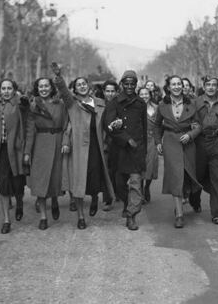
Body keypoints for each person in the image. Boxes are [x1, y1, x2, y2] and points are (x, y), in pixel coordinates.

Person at [52, 63, 115, 229]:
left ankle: (94, 198)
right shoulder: (72, 103)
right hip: (79, 149)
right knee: (79, 183)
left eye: (84, 84)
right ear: (75, 89)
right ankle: (80, 217)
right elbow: (63, 91)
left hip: (97, 147)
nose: (81, 86)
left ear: (89, 86)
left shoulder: (101, 103)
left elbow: (108, 121)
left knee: (96, 178)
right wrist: (59, 77)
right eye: (78, 85)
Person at [154, 76, 202, 228]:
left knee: (187, 175)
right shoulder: (162, 105)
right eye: (173, 84)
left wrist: (190, 135)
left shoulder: (192, 103)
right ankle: (179, 214)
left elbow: (199, 126)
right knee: (175, 176)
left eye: (179, 84)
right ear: (168, 87)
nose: (176, 87)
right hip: (170, 143)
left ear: (183, 86)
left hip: (188, 143)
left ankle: (186, 197)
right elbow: (156, 126)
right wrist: (158, 142)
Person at [189, 76, 218, 225]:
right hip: (199, 143)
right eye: (208, 85)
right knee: (197, 175)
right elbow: (186, 121)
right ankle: (194, 200)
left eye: (214, 85)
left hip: (217, 143)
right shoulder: (194, 103)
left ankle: (216, 213)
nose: (210, 87)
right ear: (203, 86)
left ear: (217, 87)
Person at [104, 70, 147, 230]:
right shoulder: (114, 102)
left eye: (132, 84)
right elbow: (108, 125)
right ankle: (126, 203)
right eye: (126, 83)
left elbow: (143, 128)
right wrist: (125, 138)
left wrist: (143, 151)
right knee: (119, 184)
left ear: (136, 85)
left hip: (137, 150)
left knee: (136, 184)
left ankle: (131, 215)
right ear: (122, 84)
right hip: (119, 150)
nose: (129, 87)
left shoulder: (141, 104)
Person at [24, 76, 68, 230]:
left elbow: (65, 125)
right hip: (40, 145)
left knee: (55, 178)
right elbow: (30, 130)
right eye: (40, 86)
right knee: (40, 181)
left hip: (57, 142)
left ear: (51, 88)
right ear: (37, 89)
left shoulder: (60, 104)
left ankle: (55, 199)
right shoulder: (33, 105)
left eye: (46, 86)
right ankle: (43, 216)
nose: (43, 89)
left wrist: (65, 142)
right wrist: (27, 152)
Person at [0, 79, 27, 234]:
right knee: (3, 184)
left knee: (18, 182)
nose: (5, 91)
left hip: (16, 149)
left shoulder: (20, 104)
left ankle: (19, 203)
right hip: (0, 150)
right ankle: (6, 219)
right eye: (3, 88)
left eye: (9, 88)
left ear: (14, 90)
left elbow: (26, 113)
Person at [137, 87, 159, 203]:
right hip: (140, 140)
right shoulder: (135, 108)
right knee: (141, 166)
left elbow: (160, 124)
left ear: (150, 95)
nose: (144, 96)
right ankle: (140, 191)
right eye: (141, 94)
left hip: (153, 140)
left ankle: (147, 187)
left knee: (152, 165)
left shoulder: (157, 108)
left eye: (146, 94)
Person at [101, 80, 119, 211]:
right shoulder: (99, 106)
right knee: (106, 171)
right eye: (107, 91)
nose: (110, 93)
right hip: (104, 143)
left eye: (112, 91)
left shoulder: (121, 105)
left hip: (118, 143)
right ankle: (108, 199)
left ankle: (119, 194)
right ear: (103, 92)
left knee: (118, 172)